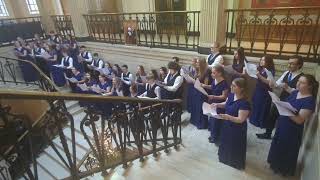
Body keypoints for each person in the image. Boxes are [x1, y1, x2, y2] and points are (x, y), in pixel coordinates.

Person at [267, 74, 318, 176]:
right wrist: (279, 102)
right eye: (298, 81)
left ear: (310, 86)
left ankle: (284, 170)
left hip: (292, 129)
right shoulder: (295, 93)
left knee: (287, 149)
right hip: (283, 124)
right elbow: (287, 104)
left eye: (302, 82)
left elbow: (299, 120)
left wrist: (281, 107)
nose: (298, 84)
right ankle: (275, 164)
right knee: (278, 144)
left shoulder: (310, 101)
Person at [257, 55, 304, 139]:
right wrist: (273, 85)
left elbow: (300, 93)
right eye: (289, 63)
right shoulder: (286, 73)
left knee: (284, 120)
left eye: (292, 64)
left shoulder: (302, 77)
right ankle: (268, 133)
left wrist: (288, 88)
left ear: (299, 65)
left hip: (292, 102)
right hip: (282, 98)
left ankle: (281, 136)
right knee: (272, 115)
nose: (289, 65)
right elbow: (277, 84)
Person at [213, 78, 251, 170]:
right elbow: (226, 104)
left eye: (234, 86)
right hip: (227, 125)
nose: (231, 87)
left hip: (237, 128)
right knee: (226, 142)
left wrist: (228, 117)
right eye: (231, 85)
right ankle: (225, 158)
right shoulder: (231, 95)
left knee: (234, 145)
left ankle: (234, 162)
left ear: (241, 88)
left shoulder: (244, 103)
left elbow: (241, 119)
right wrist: (217, 105)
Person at [202, 65, 229, 144]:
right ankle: (213, 135)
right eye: (212, 73)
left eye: (214, 73)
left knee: (216, 122)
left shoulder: (224, 83)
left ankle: (216, 137)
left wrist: (213, 96)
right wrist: (205, 86)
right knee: (212, 120)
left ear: (220, 73)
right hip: (213, 103)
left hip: (219, 105)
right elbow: (213, 87)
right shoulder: (215, 80)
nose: (211, 74)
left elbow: (224, 96)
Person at [249, 55, 275, 130]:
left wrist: (258, 75)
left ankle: (260, 122)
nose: (261, 61)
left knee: (262, 107)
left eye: (264, 60)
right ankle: (254, 120)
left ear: (268, 62)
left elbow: (268, 82)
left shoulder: (270, 71)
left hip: (265, 91)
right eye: (261, 60)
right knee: (256, 104)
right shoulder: (261, 69)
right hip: (258, 89)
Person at [190, 58, 212, 129]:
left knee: (200, 108)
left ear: (201, 63)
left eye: (198, 62)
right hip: (196, 90)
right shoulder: (198, 69)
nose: (196, 63)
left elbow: (206, 84)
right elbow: (196, 78)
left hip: (202, 92)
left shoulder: (207, 71)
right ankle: (195, 121)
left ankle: (202, 124)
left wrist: (197, 82)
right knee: (195, 107)